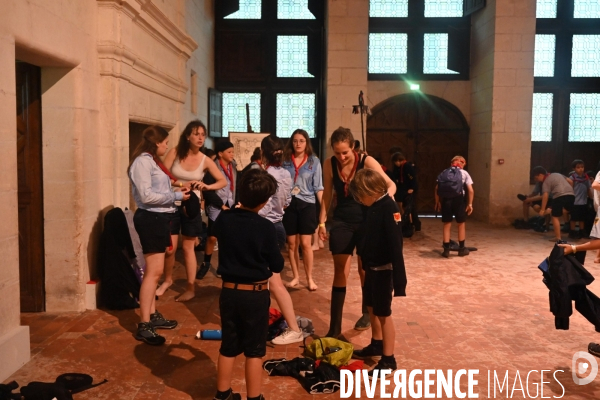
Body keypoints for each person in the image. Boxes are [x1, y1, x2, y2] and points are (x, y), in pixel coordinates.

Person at [318, 127, 396, 338]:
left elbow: (390, 184)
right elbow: (327, 193)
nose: (341, 157)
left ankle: (365, 313)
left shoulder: (366, 161)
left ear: (353, 147)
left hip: (366, 220)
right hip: (342, 220)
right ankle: (334, 329)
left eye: (345, 152)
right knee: (340, 270)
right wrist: (322, 222)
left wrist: (386, 204)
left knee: (365, 270)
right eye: (337, 153)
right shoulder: (329, 164)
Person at [212, 169, 282, 400]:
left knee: (228, 345)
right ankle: (254, 398)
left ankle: (222, 395)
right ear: (264, 201)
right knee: (254, 350)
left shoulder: (224, 219)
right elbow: (277, 265)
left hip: (229, 292)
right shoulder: (265, 227)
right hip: (255, 294)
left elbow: (219, 229)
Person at [128, 126, 190, 345]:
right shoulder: (142, 162)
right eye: (165, 142)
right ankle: (144, 324)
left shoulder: (152, 161)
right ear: (156, 143)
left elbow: (160, 189)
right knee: (153, 272)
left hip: (160, 218)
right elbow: (145, 196)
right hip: (151, 218)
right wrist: (175, 196)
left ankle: (152, 315)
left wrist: (179, 192)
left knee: (157, 271)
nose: (166, 146)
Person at [160, 120, 226, 301]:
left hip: (192, 207)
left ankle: (190, 288)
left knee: (189, 247)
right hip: (171, 203)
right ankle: (166, 280)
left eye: (203, 135)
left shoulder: (205, 159)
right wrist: (181, 184)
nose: (200, 138)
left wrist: (206, 186)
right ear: (188, 136)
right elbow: (162, 176)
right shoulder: (175, 152)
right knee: (170, 248)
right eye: (196, 134)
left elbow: (222, 181)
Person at [349, 169, 407, 375]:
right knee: (372, 308)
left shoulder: (389, 207)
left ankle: (389, 359)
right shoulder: (373, 206)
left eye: (359, 195)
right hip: (372, 268)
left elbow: (395, 245)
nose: (358, 200)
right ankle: (376, 344)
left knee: (384, 314)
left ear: (371, 191)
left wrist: (400, 282)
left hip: (384, 270)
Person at [258, 135, 304, 345]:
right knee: (265, 281)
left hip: (265, 228)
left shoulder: (264, 175)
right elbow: (286, 202)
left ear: (263, 153)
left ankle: (294, 328)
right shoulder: (285, 173)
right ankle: (263, 321)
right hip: (278, 226)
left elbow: (262, 207)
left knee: (274, 283)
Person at [282, 129, 323, 291]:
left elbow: (318, 186)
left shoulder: (314, 161)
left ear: (307, 143)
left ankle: (309, 278)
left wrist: (324, 209)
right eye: (295, 141)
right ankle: (296, 277)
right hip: (289, 204)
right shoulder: (286, 161)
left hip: (307, 204)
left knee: (306, 244)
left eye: (301, 141)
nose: (298, 144)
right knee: (292, 244)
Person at [203, 141, 238, 277]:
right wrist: (220, 204)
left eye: (233, 152)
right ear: (220, 153)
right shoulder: (213, 168)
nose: (232, 154)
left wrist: (237, 203)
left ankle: (223, 266)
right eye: (229, 152)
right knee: (212, 237)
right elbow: (207, 189)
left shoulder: (233, 166)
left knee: (227, 237)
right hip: (217, 205)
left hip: (230, 203)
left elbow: (237, 185)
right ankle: (206, 263)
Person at [435, 156, 474, 258]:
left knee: (446, 224)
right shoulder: (464, 173)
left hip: (446, 200)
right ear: (463, 163)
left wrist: (437, 202)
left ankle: (446, 250)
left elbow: (437, 188)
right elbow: (470, 190)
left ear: (451, 163)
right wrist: (470, 204)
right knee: (461, 224)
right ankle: (461, 249)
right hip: (459, 200)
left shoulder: (444, 172)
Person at [532, 166, 575, 242]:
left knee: (555, 216)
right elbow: (571, 181)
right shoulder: (557, 174)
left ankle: (558, 237)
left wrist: (542, 210)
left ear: (540, 175)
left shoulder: (546, 181)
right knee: (564, 211)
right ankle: (551, 210)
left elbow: (545, 195)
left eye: (536, 178)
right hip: (571, 196)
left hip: (559, 196)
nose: (537, 180)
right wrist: (570, 190)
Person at [389, 152, 421, 232]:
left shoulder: (407, 166)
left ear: (398, 160)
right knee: (403, 207)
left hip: (408, 190)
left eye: (395, 162)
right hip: (401, 190)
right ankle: (404, 223)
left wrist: (412, 188)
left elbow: (412, 178)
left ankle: (409, 224)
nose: (395, 164)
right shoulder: (398, 168)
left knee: (409, 208)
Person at [568, 159, 592, 239]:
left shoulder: (586, 178)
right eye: (578, 167)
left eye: (582, 167)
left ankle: (582, 231)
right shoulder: (571, 178)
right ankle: (572, 232)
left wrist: (591, 198)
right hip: (575, 201)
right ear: (574, 169)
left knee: (582, 218)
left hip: (583, 201)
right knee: (574, 218)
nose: (581, 169)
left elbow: (589, 189)